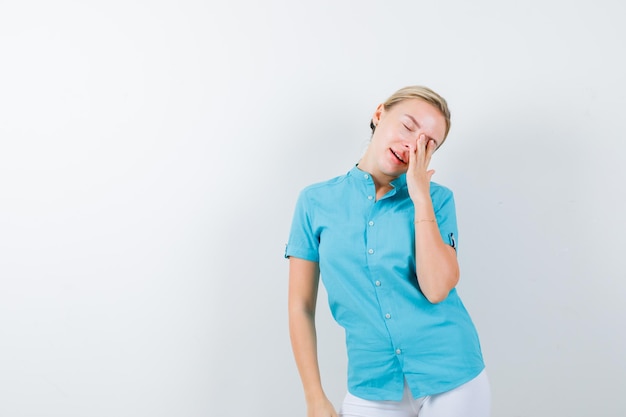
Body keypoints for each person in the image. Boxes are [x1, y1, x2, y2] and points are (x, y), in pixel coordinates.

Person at [285, 85, 490, 417]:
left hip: (452, 376)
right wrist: (314, 397)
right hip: (372, 384)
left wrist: (420, 195)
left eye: (427, 144)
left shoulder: (437, 200)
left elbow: (438, 288)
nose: (411, 145)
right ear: (379, 114)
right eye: (408, 127)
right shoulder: (314, 202)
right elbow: (300, 306)